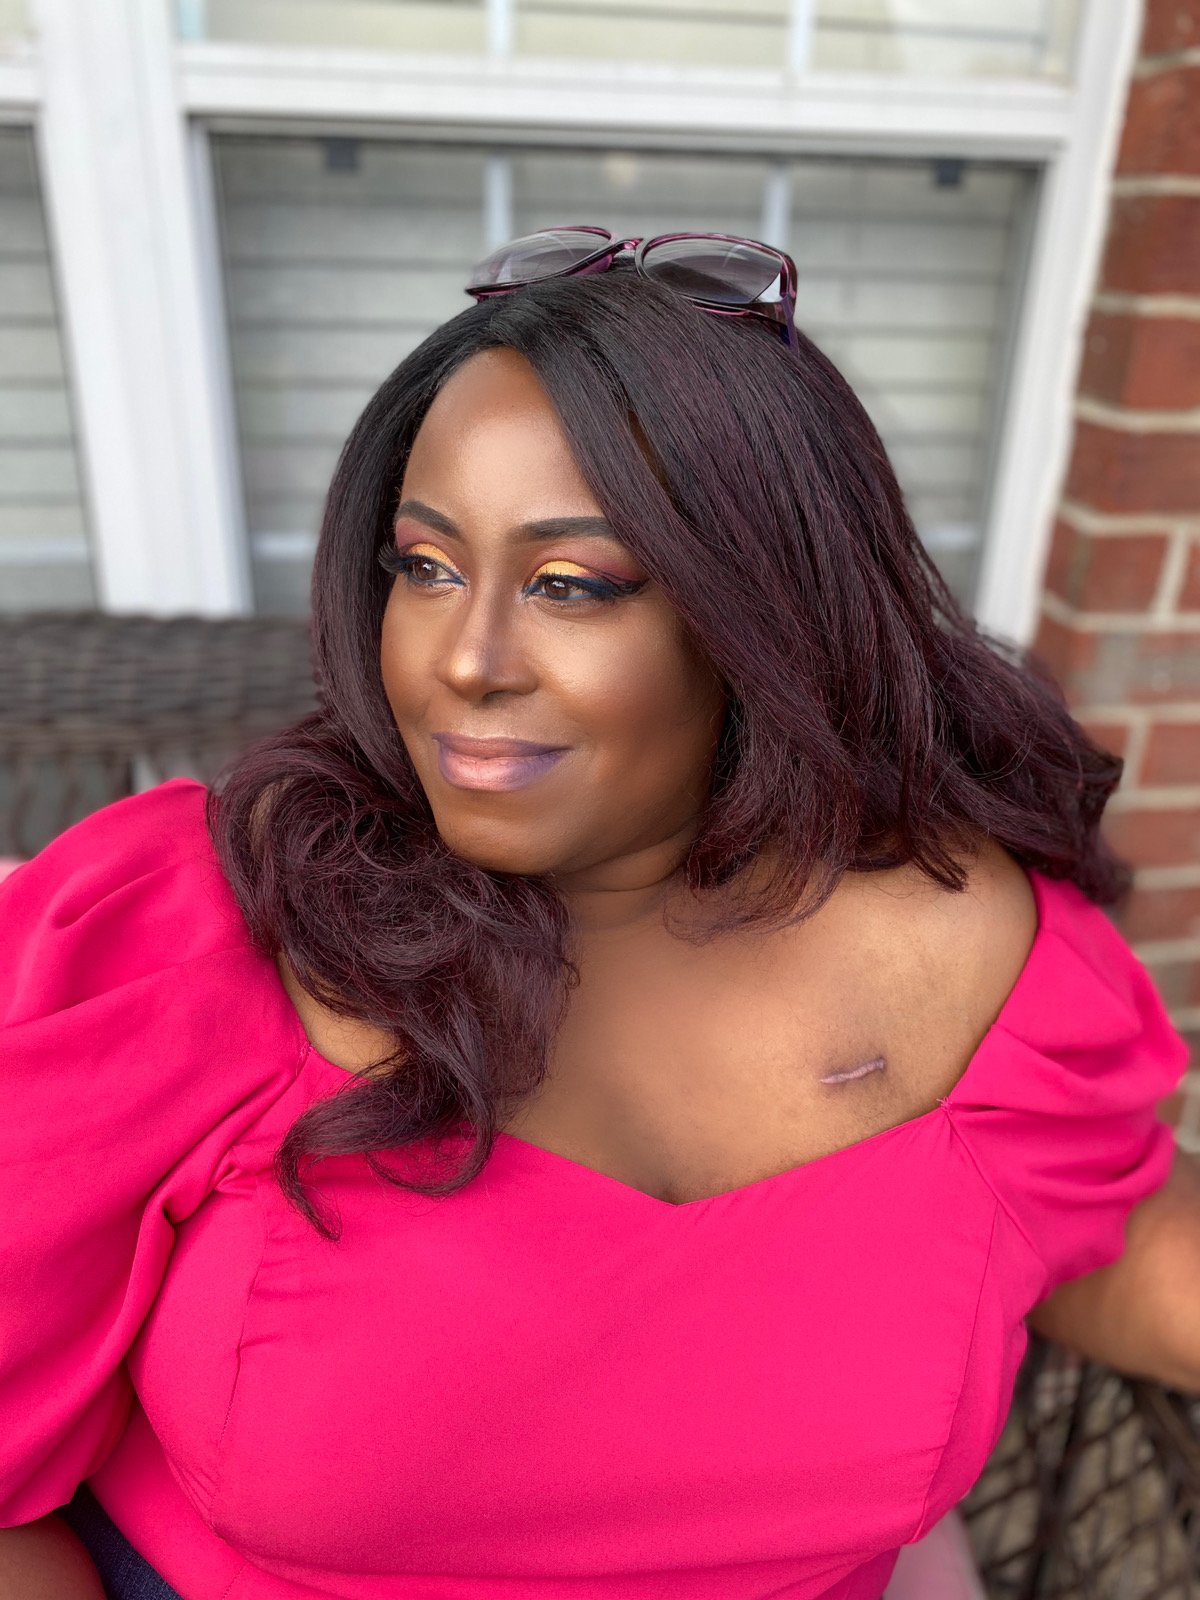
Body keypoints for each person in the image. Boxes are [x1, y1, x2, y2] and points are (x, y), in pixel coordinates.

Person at [0, 229, 1193, 1600]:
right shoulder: (195, 930)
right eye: (426, 564)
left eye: (573, 584)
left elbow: (1109, 1226)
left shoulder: (982, 953)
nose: (462, 659)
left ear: (769, 619)